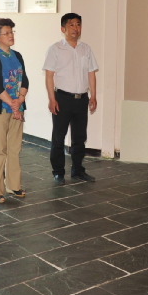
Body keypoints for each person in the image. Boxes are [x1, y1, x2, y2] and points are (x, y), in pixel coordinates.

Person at [43, 13, 98, 185]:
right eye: (71, 25)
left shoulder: (86, 49)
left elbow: (91, 73)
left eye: (78, 24)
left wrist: (93, 95)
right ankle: (58, 172)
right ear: (63, 29)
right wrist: (52, 99)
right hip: (62, 98)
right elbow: (49, 77)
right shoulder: (55, 49)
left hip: (82, 99)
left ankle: (78, 170)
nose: (75, 28)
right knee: (59, 137)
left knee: (79, 138)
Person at [0, 19, 28, 202]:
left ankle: (13, 185)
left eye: (11, 32)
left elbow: (24, 80)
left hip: (17, 107)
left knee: (14, 148)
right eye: (6, 33)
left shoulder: (17, 55)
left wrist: (20, 100)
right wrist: (12, 104)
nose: (10, 36)